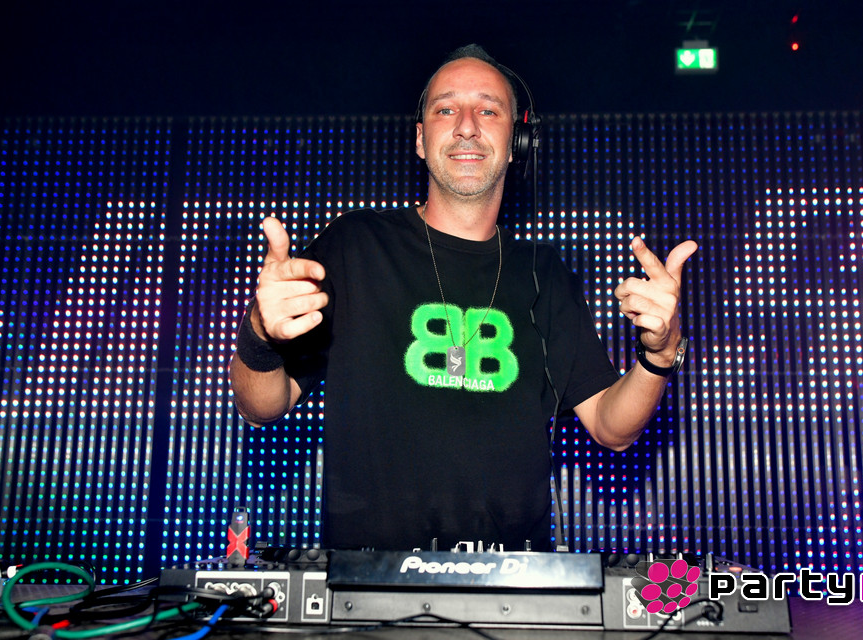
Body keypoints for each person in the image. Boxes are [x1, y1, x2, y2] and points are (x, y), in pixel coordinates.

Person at [229, 44, 697, 552]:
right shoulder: (354, 245)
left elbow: (611, 427)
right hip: (367, 585)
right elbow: (260, 407)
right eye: (446, 109)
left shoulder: (545, 273)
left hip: (513, 588)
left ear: (516, 141)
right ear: (420, 139)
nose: (467, 127)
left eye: (488, 111)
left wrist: (659, 354)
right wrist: (259, 334)